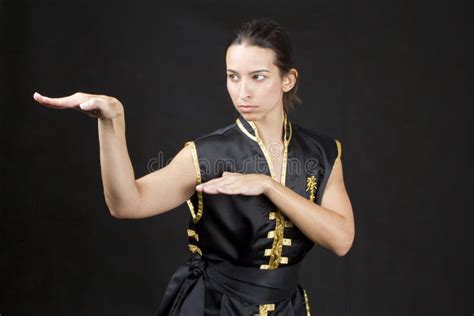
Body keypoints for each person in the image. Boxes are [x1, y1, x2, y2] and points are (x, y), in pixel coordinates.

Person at [33, 17, 354, 316]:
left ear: (288, 79)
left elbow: (341, 240)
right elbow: (125, 203)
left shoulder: (322, 153)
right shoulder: (206, 154)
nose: (243, 91)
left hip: (288, 308)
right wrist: (112, 121)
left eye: (258, 77)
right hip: (215, 306)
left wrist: (268, 185)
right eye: (233, 77)